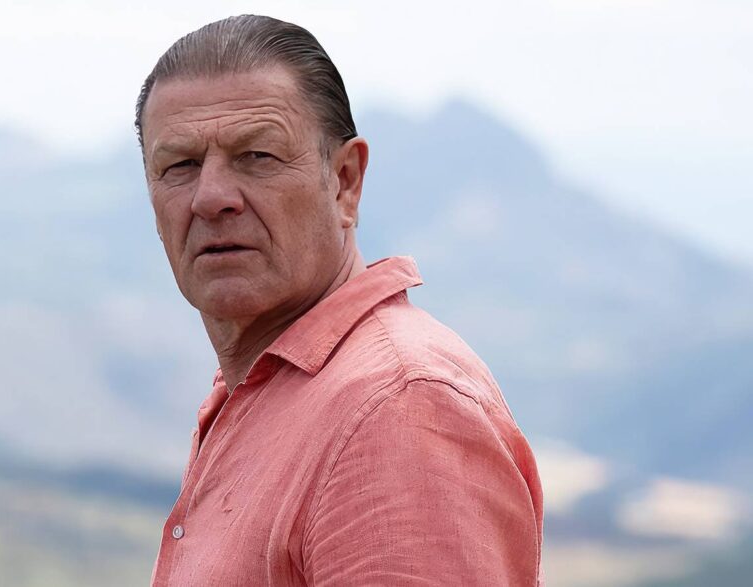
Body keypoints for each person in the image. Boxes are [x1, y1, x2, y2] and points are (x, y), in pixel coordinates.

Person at [135, 14, 543, 586]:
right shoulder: (281, 390)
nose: (211, 197)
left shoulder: (396, 410)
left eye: (258, 156)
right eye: (180, 165)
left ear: (345, 181)